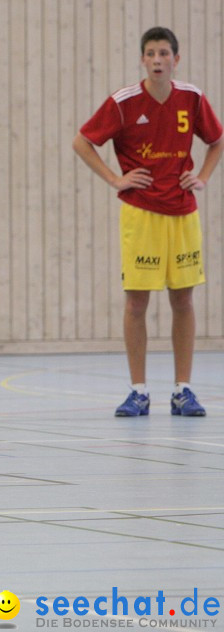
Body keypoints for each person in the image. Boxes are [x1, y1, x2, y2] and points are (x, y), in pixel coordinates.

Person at [74, 26, 222, 417]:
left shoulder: (191, 98)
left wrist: (203, 177)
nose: (158, 60)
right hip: (140, 213)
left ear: (176, 58)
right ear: (143, 59)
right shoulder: (124, 102)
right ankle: (138, 390)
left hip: (183, 212)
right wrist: (114, 179)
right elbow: (82, 142)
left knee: (183, 299)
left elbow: (216, 140)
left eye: (164, 53)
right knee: (137, 301)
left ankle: (183, 390)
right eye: (151, 54)